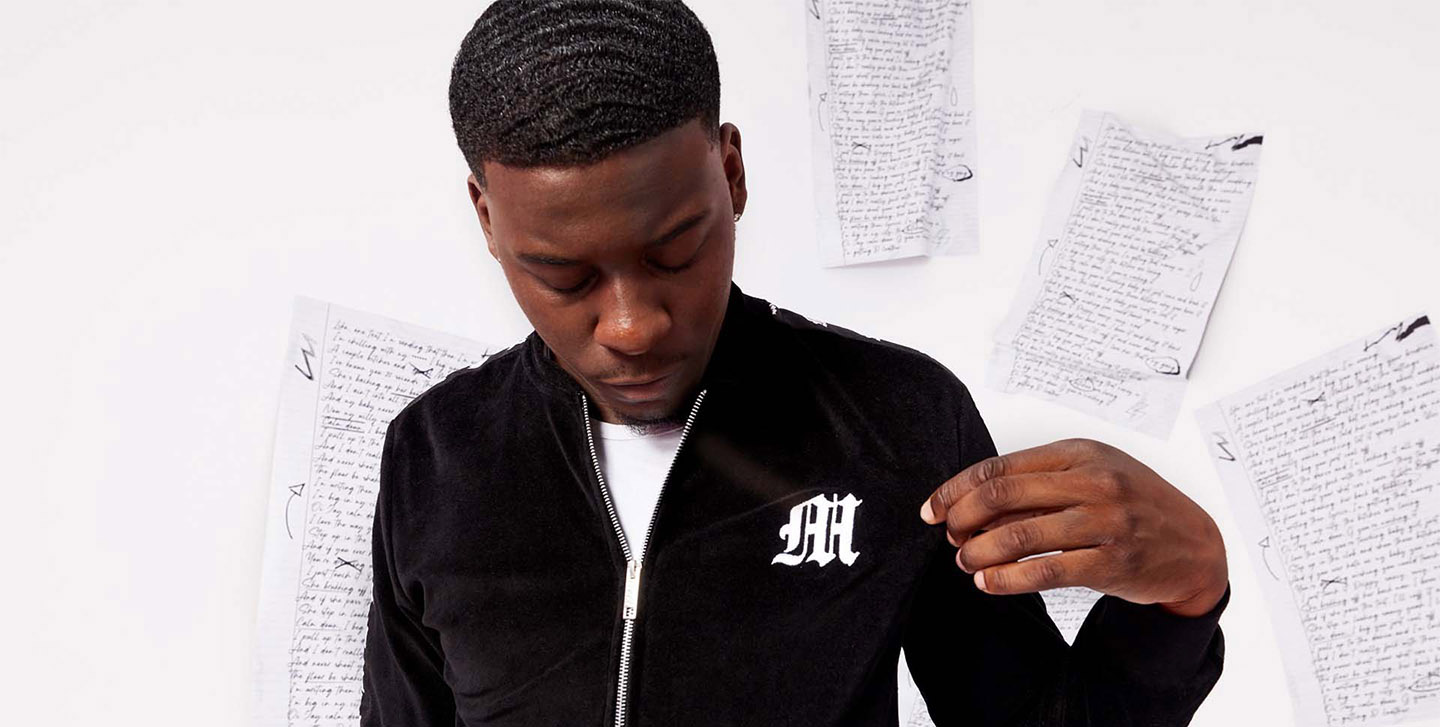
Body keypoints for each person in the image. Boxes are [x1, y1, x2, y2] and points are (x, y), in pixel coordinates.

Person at [359, 1, 1231, 724]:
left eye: (675, 250)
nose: (632, 326)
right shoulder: (433, 457)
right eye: (565, 276)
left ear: (731, 171)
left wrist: (1186, 596)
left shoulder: (899, 420)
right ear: (487, 217)